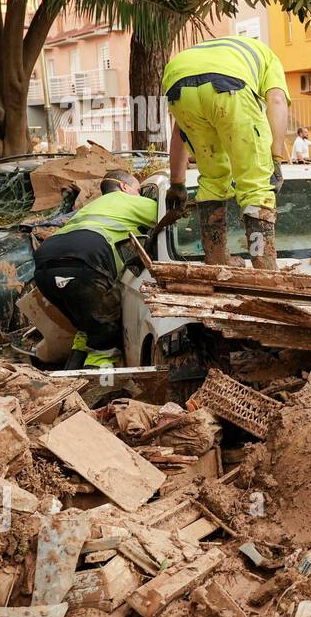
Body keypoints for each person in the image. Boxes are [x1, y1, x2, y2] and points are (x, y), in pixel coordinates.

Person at [162, 35, 292, 271]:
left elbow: (179, 131)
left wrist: (177, 183)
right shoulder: (267, 56)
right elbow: (277, 99)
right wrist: (275, 159)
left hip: (178, 85)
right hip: (230, 87)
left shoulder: (204, 55)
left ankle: (217, 260)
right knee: (256, 185)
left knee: (213, 180)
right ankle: (264, 267)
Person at [32, 170, 157, 369]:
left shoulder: (90, 208)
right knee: (105, 339)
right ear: (124, 187)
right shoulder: (128, 201)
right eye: (139, 190)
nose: (140, 196)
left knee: (88, 328)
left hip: (45, 266)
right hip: (85, 264)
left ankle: (69, 381)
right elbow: (170, 211)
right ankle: (97, 393)